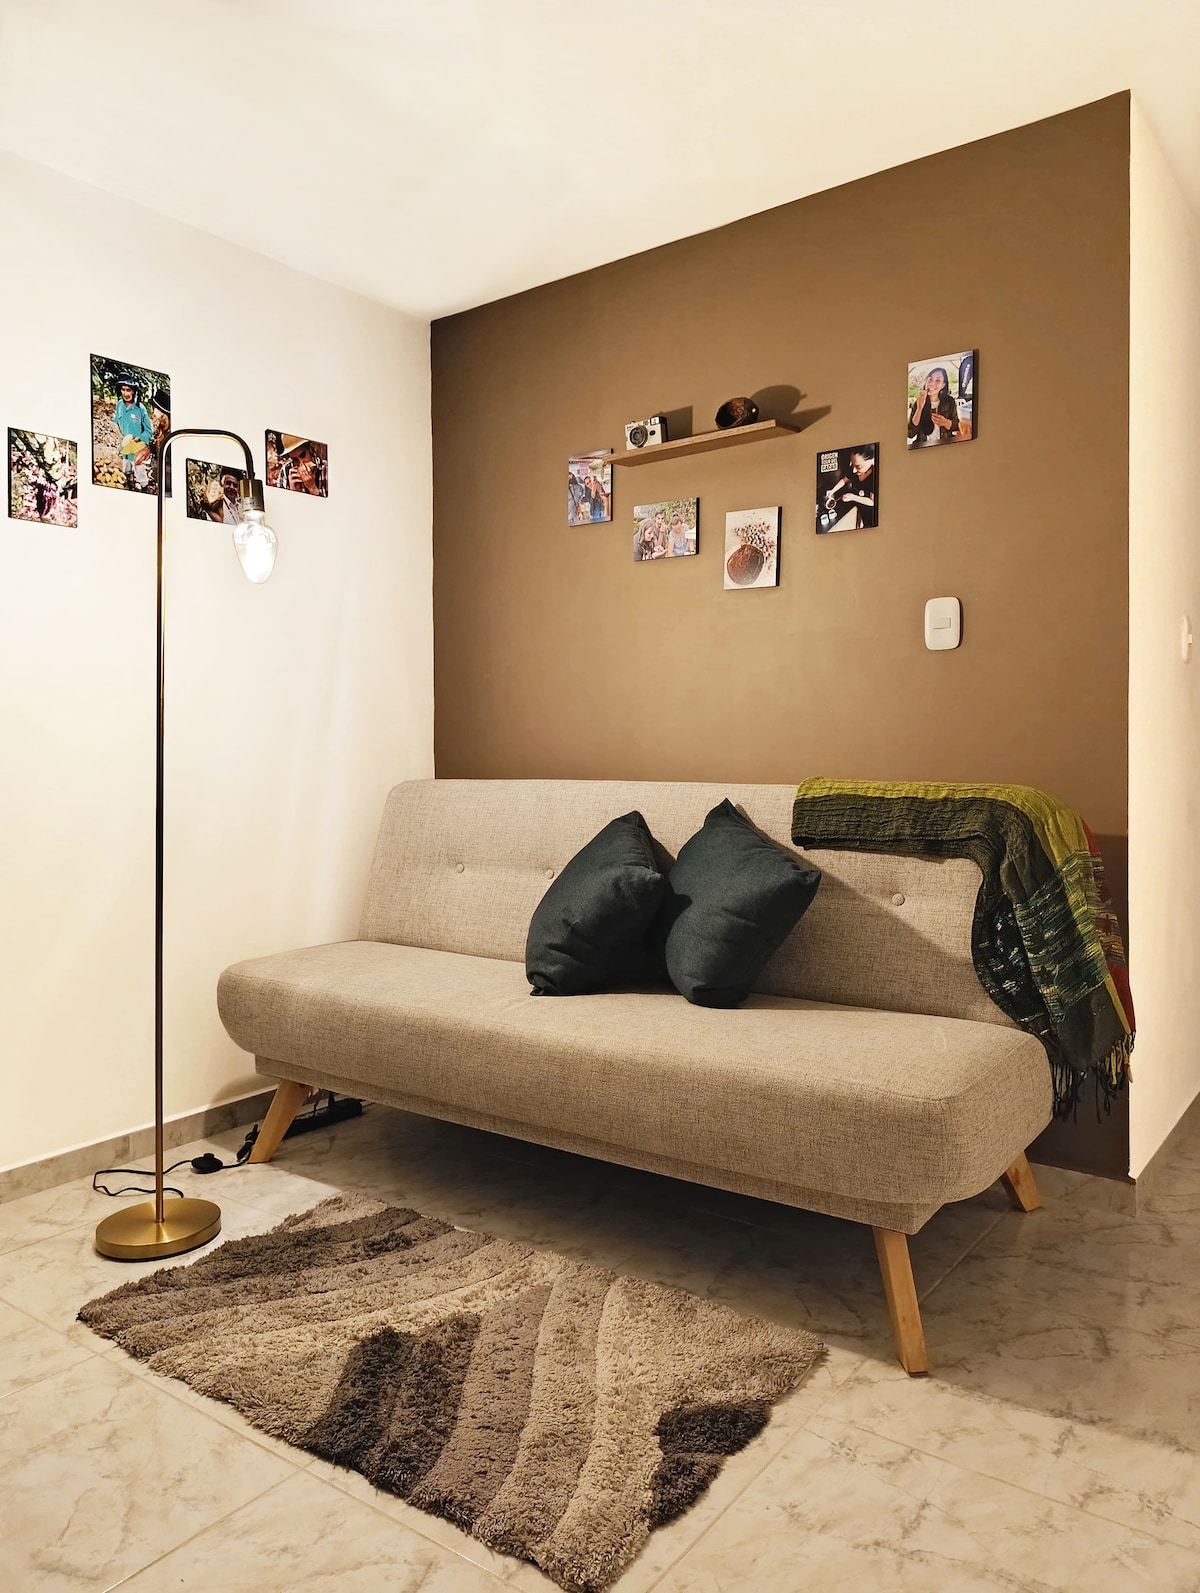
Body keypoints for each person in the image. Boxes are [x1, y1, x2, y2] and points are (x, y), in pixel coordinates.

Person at [821, 446, 877, 531]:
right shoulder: (854, 470)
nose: (854, 470)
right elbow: (844, 480)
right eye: (853, 465)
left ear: (872, 460)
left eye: (858, 466)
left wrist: (852, 497)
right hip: (861, 511)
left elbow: (872, 502)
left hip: (872, 515)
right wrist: (832, 490)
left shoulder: (875, 476)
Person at [113, 377, 155, 488]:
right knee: (126, 471)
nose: (125, 393)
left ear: (133, 391)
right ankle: (129, 485)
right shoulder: (119, 405)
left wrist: (139, 438)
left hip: (137, 449)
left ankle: (144, 488)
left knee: (141, 476)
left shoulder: (140, 409)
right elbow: (116, 421)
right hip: (125, 447)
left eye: (128, 390)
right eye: (123, 390)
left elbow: (149, 431)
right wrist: (120, 436)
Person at [907, 367, 959, 448]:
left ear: (943, 385)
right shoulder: (918, 402)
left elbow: (956, 426)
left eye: (938, 380)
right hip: (923, 449)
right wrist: (919, 408)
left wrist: (946, 422)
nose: (932, 383)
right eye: (930, 379)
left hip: (946, 447)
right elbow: (910, 433)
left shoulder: (949, 401)